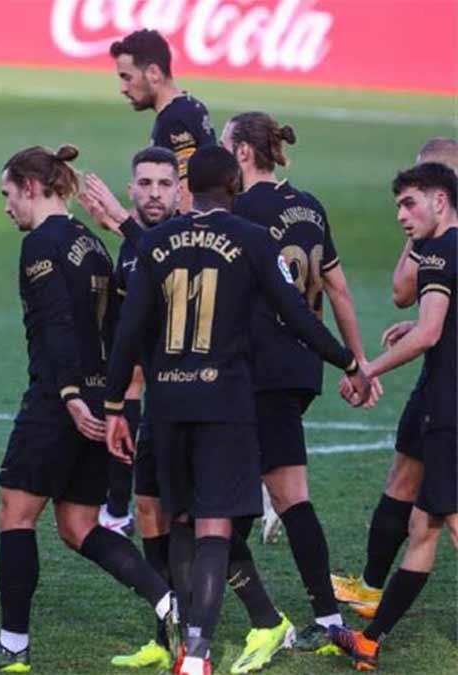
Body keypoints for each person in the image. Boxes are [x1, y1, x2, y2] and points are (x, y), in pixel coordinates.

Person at [102, 146, 370, 675]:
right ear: (233, 188)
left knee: (179, 521)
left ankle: (188, 649)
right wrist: (347, 361)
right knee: (214, 530)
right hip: (224, 403)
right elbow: (296, 314)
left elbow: (128, 331)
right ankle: (198, 656)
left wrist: (115, 406)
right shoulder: (251, 239)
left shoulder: (154, 243)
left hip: (168, 403)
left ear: (186, 189)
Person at [0, 145, 177, 673]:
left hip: (60, 400)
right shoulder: (91, 244)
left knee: (15, 512)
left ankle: (12, 645)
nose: (6, 206)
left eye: (8, 194)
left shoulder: (42, 244)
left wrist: (71, 395)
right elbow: (118, 329)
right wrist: (109, 396)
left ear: (31, 186)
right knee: (77, 524)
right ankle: (168, 599)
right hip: (100, 397)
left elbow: (57, 325)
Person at [82, 152, 295, 675]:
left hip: (207, 404)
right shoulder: (132, 254)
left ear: (182, 191)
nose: (153, 193)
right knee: (158, 517)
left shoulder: (187, 243)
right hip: (156, 408)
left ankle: (240, 630)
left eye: (163, 184)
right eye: (143, 184)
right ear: (131, 188)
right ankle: (171, 636)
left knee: (207, 526)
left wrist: (123, 225)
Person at [221, 111, 379, 652]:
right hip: (302, 369)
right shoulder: (308, 205)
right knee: (269, 493)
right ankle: (318, 617)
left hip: (256, 368)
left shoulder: (242, 211)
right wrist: (359, 364)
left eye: (226, 147)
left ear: (243, 153)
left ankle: (220, 609)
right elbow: (339, 292)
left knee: (269, 498)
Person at [329, 162, 457, 671]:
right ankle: (371, 639)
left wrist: (367, 370)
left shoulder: (439, 253)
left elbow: (429, 334)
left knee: (446, 520)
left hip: (449, 407)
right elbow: (432, 326)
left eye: (410, 203)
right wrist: (425, 324)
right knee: (422, 523)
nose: (402, 216)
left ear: (440, 201)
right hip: (446, 401)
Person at [110, 29, 215, 213]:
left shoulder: (173, 119)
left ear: (153, 73)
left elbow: (186, 199)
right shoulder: (191, 106)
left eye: (127, 77)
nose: (123, 89)